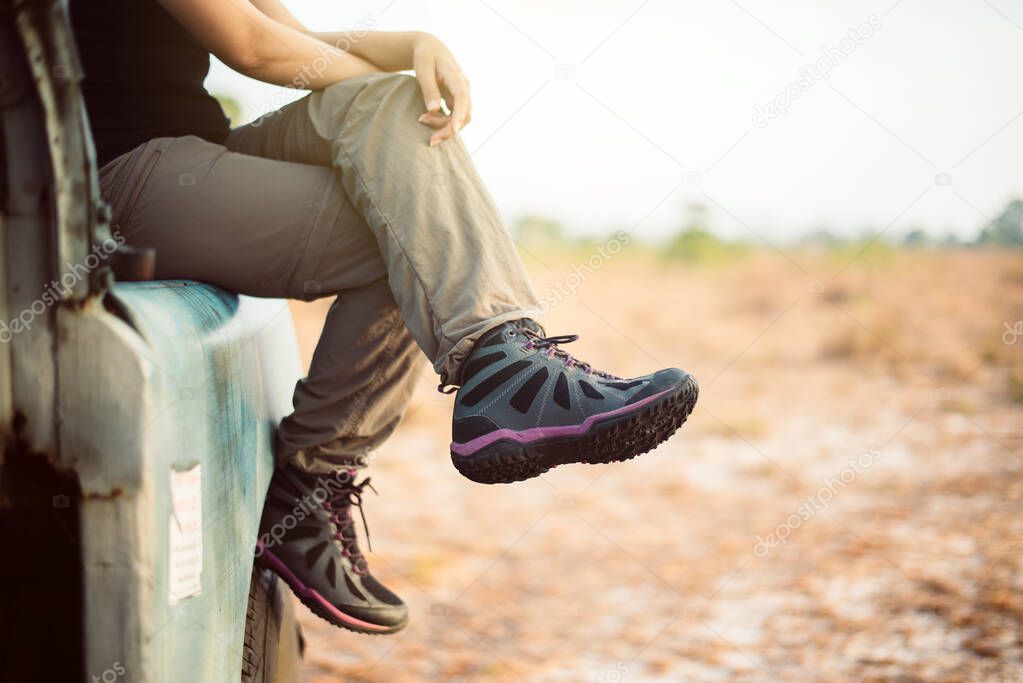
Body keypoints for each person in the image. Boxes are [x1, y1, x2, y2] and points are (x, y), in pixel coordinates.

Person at [71, 0, 699, 635]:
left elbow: (291, 35)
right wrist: (387, 76)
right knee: (409, 232)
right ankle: (313, 481)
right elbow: (253, 48)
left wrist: (411, 48)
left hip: (200, 149)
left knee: (395, 116)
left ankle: (506, 361)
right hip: (126, 178)